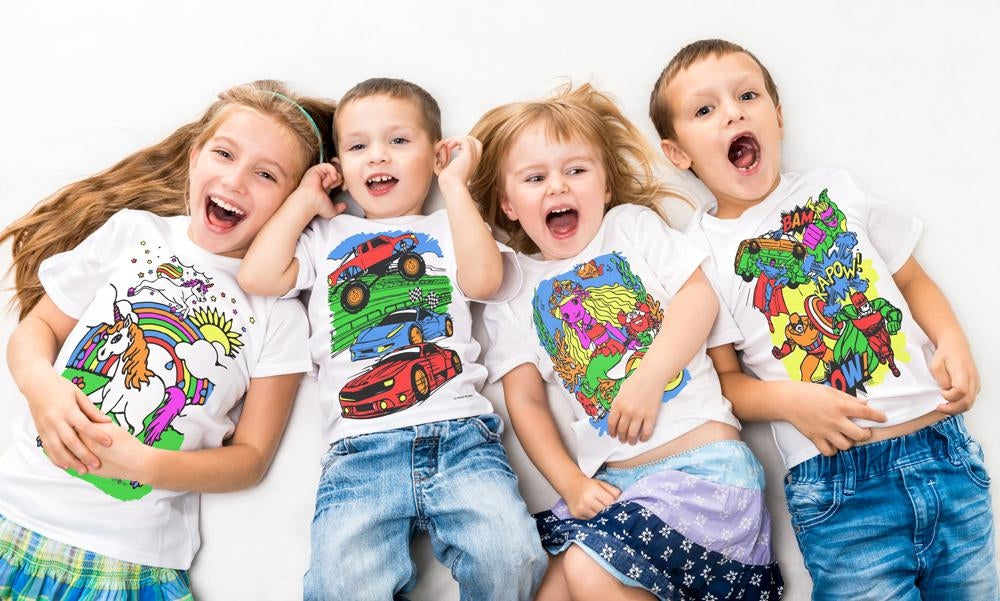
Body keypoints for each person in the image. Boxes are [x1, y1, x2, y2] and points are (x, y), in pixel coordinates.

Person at [652, 38, 998, 599]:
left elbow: (912, 279)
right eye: (705, 109)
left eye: (747, 96)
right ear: (677, 153)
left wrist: (952, 339)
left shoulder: (835, 188)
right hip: (842, 488)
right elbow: (726, 381)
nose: (733, 113)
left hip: (944, 453)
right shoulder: (701, 254)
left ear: (778, 117)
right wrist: (789, 402)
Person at [0, 80, 332, 599]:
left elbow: (251, 457)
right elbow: (36, 330)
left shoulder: (280, 316)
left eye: (266, 174)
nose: (235, 180)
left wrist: (148, 465)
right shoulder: (133, 232)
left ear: (293, 203)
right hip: (14, 507)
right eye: (224, 154)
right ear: (196, 157)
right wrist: (42, 387)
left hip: (128, 559)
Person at [469, 83, 783, 601]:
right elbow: (525, 402)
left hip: (704, 473)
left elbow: (697, 300)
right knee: (550, 591)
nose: (557, 187)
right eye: (535, 178)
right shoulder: (512, 293)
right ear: (507, 204)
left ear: (606, 187)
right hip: (614, 489)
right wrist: (570, 483)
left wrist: (648, 378)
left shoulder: (630, 228)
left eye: (576, 171)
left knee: (585, 567)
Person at [238, 77, 545, 601]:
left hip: (460, 438)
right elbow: (258, 276)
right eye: (358, 146)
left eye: (399, 141)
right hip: (359, 452)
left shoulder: (450, 226)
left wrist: (456, 187)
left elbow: (484, 282)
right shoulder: (325, 237)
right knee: (340, 586)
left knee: (511, 556)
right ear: (340, 166)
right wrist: (305, 200)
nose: (378, 155)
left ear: (436, 155)